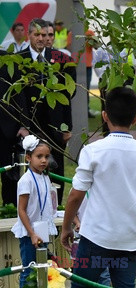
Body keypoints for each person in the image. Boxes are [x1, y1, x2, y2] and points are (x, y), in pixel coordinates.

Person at [61, 87, 136, 288]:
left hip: (94, 237)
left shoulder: (93, 151)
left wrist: (66, 227)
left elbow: (75, 195)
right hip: (129, 239)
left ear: (105, 116)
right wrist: (130, 218)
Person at [18, 18, 77, 205]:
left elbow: (67, 97)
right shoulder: (20, 61)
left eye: (44, 35)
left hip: (55, 125)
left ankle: (56, 208)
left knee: (55, 169)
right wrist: (23, 125)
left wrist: (67, 126)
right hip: (30, 124)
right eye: (36, 35)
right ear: (29, 36)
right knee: (31, 169)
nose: (41, 39)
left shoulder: (61, 60)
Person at [11, 135, 57, 288]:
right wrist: (31, 233)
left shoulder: (45, 177)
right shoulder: (26, 180)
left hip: (42, 230)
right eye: (39, 156)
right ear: (28, 157)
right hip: (30, 232)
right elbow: (21, 210)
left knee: (42, 269)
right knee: (28, 269)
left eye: (46, 157)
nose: (44, 160)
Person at [0, 50, 29, 206]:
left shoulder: (8, 59)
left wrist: (24, 125)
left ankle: (9, 209)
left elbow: (20, 94)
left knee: (9, 175)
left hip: (7, 129)